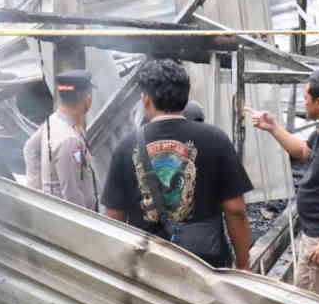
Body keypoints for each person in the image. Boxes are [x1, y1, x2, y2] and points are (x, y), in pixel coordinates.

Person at [101, 59, 253, 270]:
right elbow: (235, 210)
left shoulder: (126, 147)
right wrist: (243, 263)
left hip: (148, 266)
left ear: (146, 100)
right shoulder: (216, 139)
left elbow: (114, 216)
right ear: (186, 96)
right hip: (206, 266)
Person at [249, 69, 319, 304]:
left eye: (306, 98)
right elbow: (303, 152)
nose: (304, 103)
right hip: (314, 234)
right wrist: (273, 127)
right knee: (305, 301)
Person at [23, 70, 98, 210]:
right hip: (75, 218)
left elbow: (30, 148)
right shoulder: (69, 140)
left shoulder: (53, 121)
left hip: (53, 210)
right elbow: (71, 193)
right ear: (87, 98)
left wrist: (37, 191)